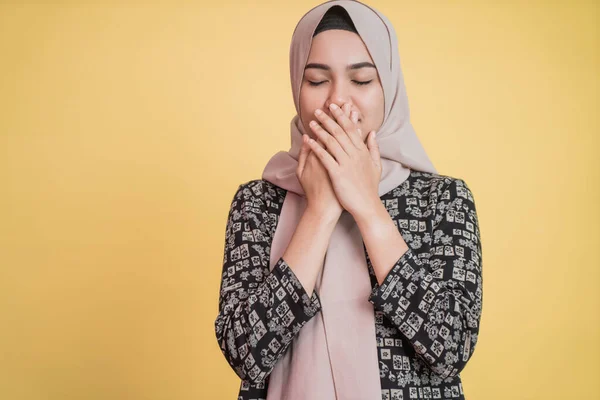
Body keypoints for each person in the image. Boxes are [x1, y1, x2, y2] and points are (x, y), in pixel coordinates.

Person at [214, 1, 483, 399]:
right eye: (317, 80)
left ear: (388, 87)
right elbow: (245, 353)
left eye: (361, 81)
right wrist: (320, 212)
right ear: (296, 86)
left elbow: (449, 349)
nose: (338, 101)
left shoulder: (442, 200)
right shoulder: (257, 201)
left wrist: (368, 208)